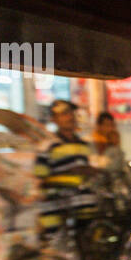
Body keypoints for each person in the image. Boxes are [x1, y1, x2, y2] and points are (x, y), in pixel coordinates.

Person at [35, 99, 97, 231]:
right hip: (59, 211)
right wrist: (69, 173)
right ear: (53, 119)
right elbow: (39, 179)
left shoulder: (84, 144)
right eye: (64, 114)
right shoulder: (47, 145)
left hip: (85, 209)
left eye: (72, 113)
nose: (70, 117)